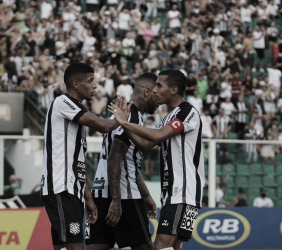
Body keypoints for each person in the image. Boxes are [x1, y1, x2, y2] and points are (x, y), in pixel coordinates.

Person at [108, 70, 205, 250]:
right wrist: (125, 123)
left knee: (161, 245)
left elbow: (158, 136)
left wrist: (125, 123)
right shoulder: (169, 117)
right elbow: (145, 144)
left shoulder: (187, 111)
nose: (155, 90)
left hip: (183, 190)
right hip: (175, 192)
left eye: (160, 85)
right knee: (174, 246)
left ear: (174, 89)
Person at [40, 63, 127, 250]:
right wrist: (120, 119)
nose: (95, 85)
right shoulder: (63, 102)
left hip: (71, 189)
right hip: (61, 187)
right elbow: (102, 126)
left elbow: (78, 163)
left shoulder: (75, 113)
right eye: (90, 81)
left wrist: (87, 197)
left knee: (62, 246)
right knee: (75, 247)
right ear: (76, 84)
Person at [86, 73, 159, 250]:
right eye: (156, 95)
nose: (159, 101)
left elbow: (129, 162)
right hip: (123, 195)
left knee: (97, 246)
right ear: (147, 92)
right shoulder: (131, 116)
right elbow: (115, 157)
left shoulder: (120, 115)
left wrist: (147, 196)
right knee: (144, 246)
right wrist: (117, 200)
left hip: (101, 193)